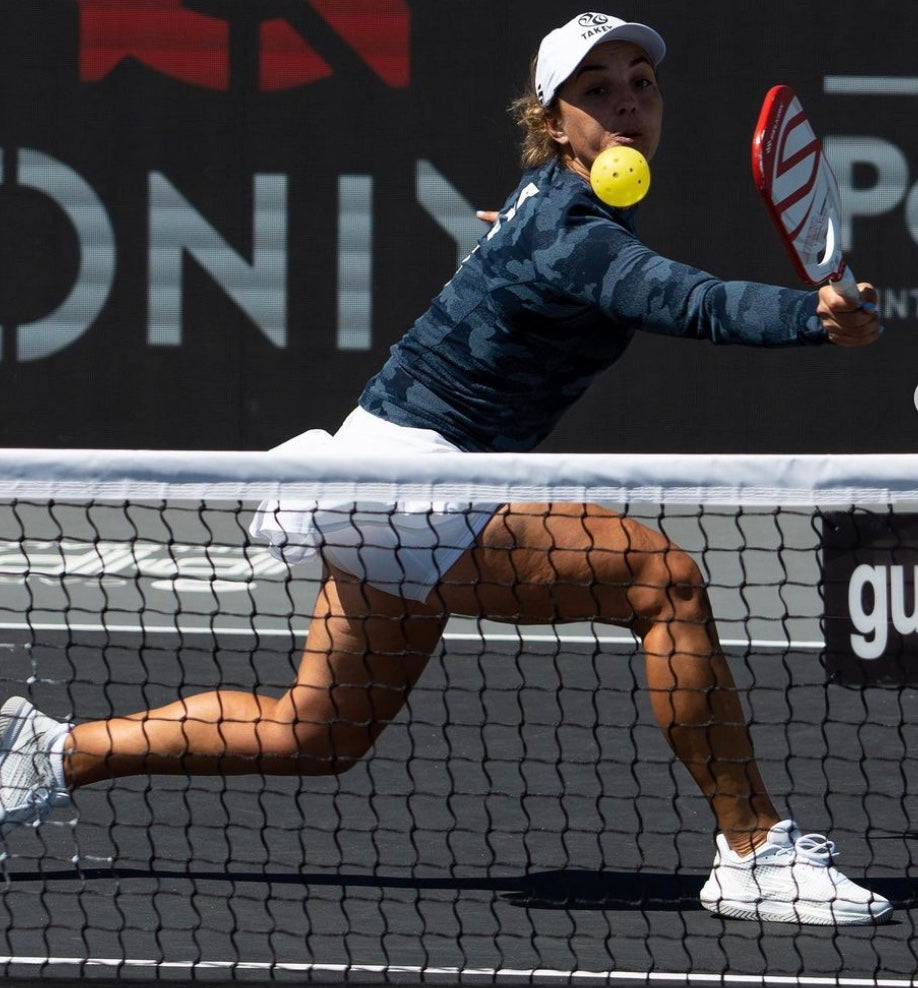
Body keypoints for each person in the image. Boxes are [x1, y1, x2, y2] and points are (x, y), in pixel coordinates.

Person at [0, 12, 891, 926]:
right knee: (663, 580)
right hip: (421, 481)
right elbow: (690, 300)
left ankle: (50, 753)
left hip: (377, 470)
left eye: (641, 84)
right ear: (555, 122)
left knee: (315, 732)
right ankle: (752, 850)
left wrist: (517, 232)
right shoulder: (572, 231)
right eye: (597, 90)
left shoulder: (550, 203)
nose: (627, 103)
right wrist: (812, 317)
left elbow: (548, 236)